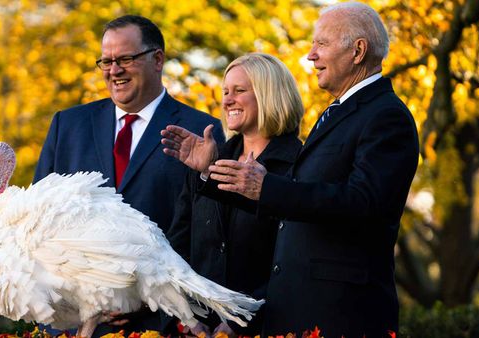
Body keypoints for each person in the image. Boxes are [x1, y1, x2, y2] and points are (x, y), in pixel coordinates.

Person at [162, 2, 420, 337]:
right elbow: (295, 204)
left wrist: (266, 187)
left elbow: (364, 202)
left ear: (358, 51)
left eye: (321, 44)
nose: (310, 56)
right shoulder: (340, 113)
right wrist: (210, 172)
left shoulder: (386, 115)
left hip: (341, 314)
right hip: (299, 314)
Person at [33, 14, 224, 335]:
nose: (114, 70)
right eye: (106, 61)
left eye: (125, 59)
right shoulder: (68, 126)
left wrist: (149, 301)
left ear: (158, 59)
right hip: (74, 324)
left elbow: (206, 234)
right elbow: (38, 226)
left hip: (161, 321)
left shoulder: (201, 131)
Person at [162, 53, 303, 337]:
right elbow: (177, 247)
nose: (227, 100)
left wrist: (244, 319)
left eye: (239, 91)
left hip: (267, 327)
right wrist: (185, 315)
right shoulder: (209, 160)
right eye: (225, 91)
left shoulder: (300, 164)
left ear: (269, 95)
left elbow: (295, 261)